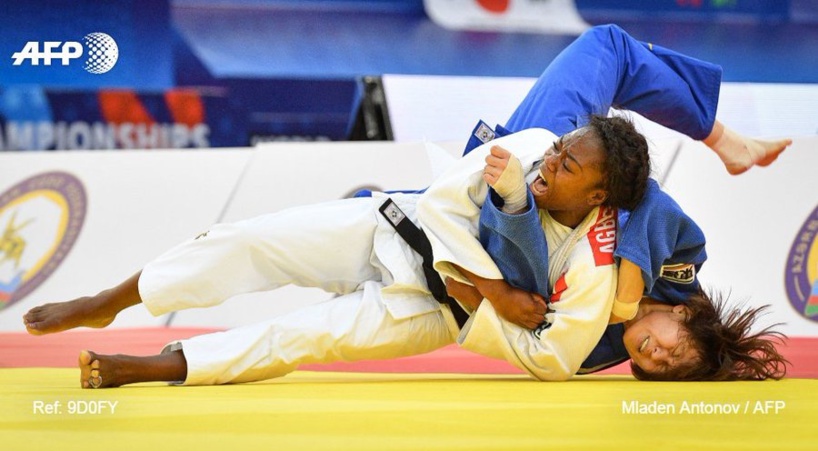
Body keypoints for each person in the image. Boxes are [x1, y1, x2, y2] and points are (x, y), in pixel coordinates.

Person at [23, 25, 788, 388]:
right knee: (609, 50)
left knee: (302, 336)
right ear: (686, 317)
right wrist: (518, 281)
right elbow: (635, 198)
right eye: (668, 344)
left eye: (651, 364)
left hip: (442, 300)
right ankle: (109, 297)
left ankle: (156, 365)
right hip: (435, 222)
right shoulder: (645, 239)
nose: (649, 350)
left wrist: (503, 298)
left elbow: (547, 352)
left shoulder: (599, 330)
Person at [457, 24, 790, 379]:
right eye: (674, 350)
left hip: (504, 215)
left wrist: (485, 289)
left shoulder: (594, 354)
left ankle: (723, 139)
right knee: (608, 47)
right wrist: (626, 296)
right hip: (559, 172)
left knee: (608, 46)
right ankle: (723, 139)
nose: (659, 356)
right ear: (685, 314)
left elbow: (525, 336)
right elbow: (651, 199)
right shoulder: (681, 267)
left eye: (662, 369)